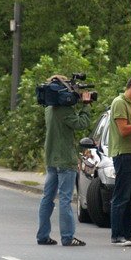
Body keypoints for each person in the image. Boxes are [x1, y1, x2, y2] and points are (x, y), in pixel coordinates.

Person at [36, 77, 92, 247]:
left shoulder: (49, 109)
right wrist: (86, 106)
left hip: (51, 157)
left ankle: (42, 235)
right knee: (65, 199)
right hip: (65, 159)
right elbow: (82, 123)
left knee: (47, 198)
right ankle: (67, 237)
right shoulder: (65, 111)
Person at [109, 76, 131, 247]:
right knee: (121, 195)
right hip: (123, 154)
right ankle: (117, 235)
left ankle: (127, 234)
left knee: (130, 196)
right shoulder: (119, 103)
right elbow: (123, 130)